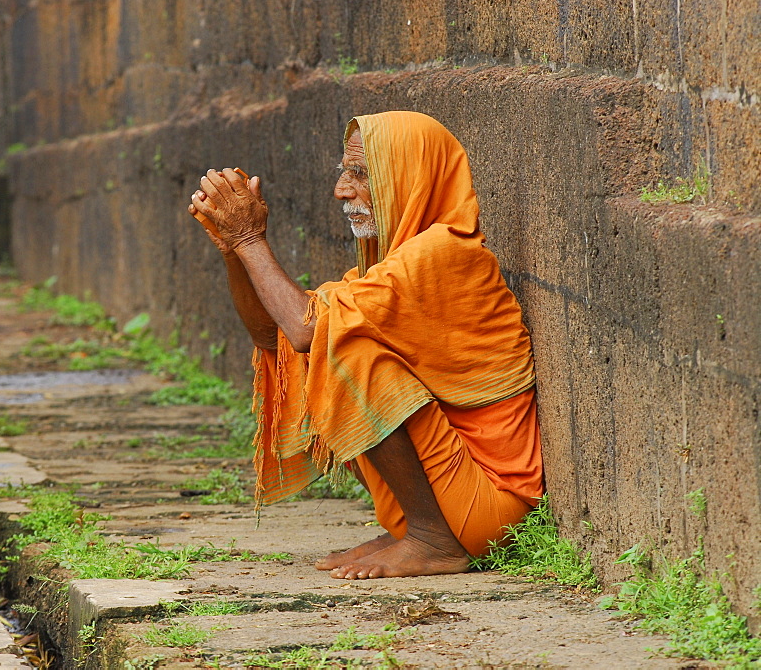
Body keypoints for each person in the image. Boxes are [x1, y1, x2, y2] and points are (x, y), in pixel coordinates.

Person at [187, 111, 543, 579]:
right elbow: (272, 335)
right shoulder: (395, 262)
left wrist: (251, 239)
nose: (342, 191)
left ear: (409, 178)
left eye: (360, 174)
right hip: (449, 495)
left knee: (343, 346)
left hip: (486, 505)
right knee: (327, 339)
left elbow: (304, 329)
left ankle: (433, 542)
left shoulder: (445, 253)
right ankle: (415, 530)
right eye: (343, 174)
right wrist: (236, 252)